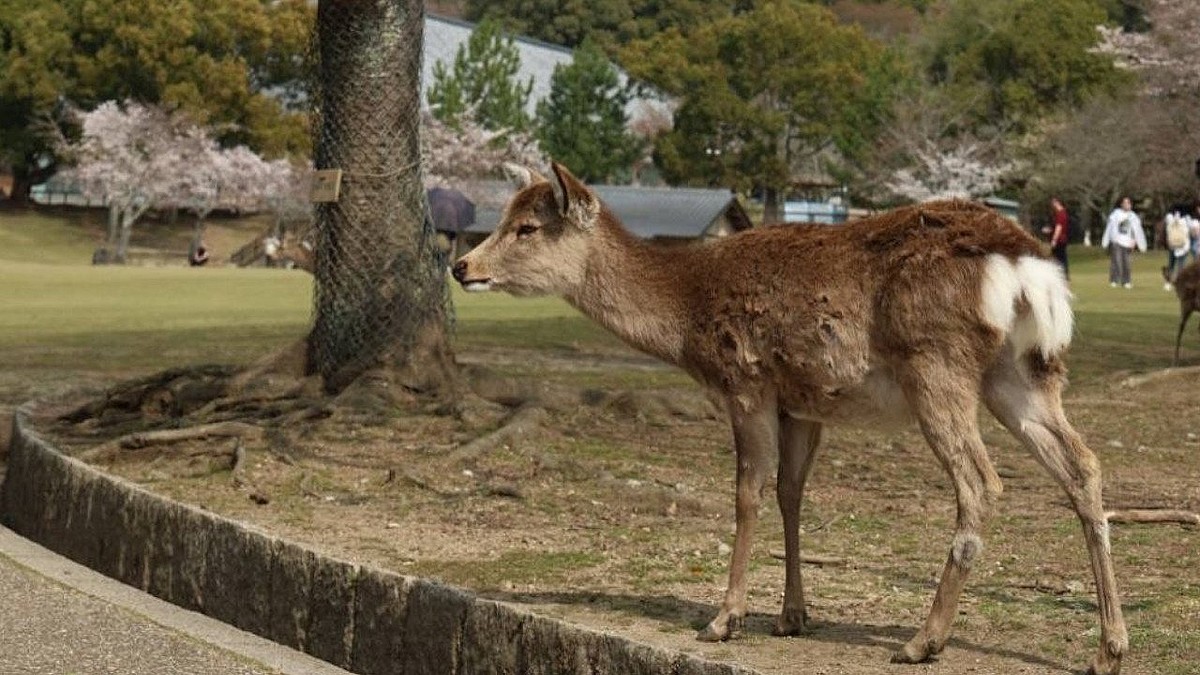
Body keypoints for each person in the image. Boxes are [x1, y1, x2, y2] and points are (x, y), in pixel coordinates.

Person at [1101, 196, 1146, 289]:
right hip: (1117, 241)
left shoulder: (1133, 216)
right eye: (1125, 203)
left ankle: (1126, 281)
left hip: (1127, 242)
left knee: (1127, 263)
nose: (1127, 205)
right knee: (1116, 262)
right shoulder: (1115, 215)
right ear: (1121, 204)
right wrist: (1106, 241)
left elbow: (1137, 231)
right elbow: (1109, 228)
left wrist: (1136, 242)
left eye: (1128, 203)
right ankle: (1114, 280)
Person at [1043, 197, 1070, 279]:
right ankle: (1063, 274)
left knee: (1057, 258)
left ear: (1057, 203)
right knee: (1062, 258)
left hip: (1059, 240)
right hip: (1062, 239)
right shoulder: (1063, 213)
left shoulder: (1060, 214)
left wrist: (1054, 240)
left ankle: (1061, 275)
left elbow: (1059, 228)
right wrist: (1049, 230)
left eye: (1053, 203)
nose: (1052, 205)